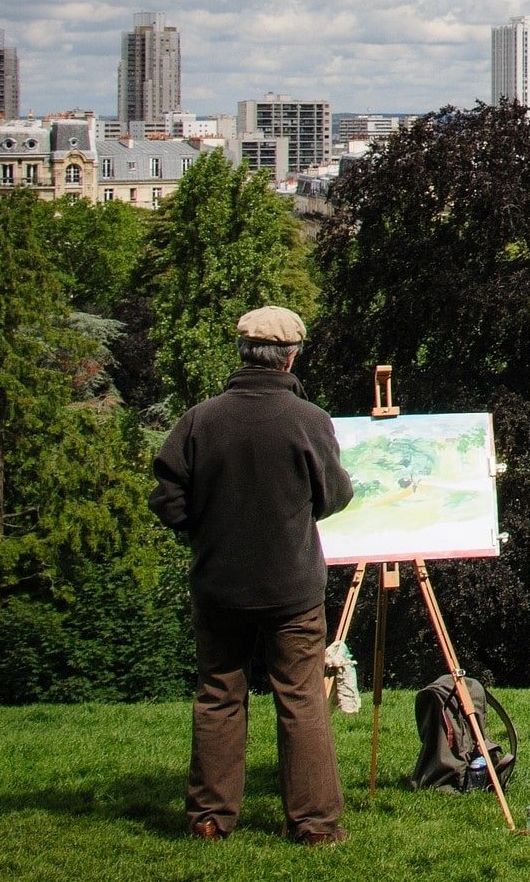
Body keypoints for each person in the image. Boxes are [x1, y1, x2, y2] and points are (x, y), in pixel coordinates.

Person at [150, 306, 356, 844]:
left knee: (219, 695)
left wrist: (207, 530)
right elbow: (334, 496)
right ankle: (314, 825)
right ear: (291, 357)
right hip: (292, 589)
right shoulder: (308, 420)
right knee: (302, 697)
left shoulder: (200, 419)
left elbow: (166, 498)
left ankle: (210, 819)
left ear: (242, 353)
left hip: (219, 584)